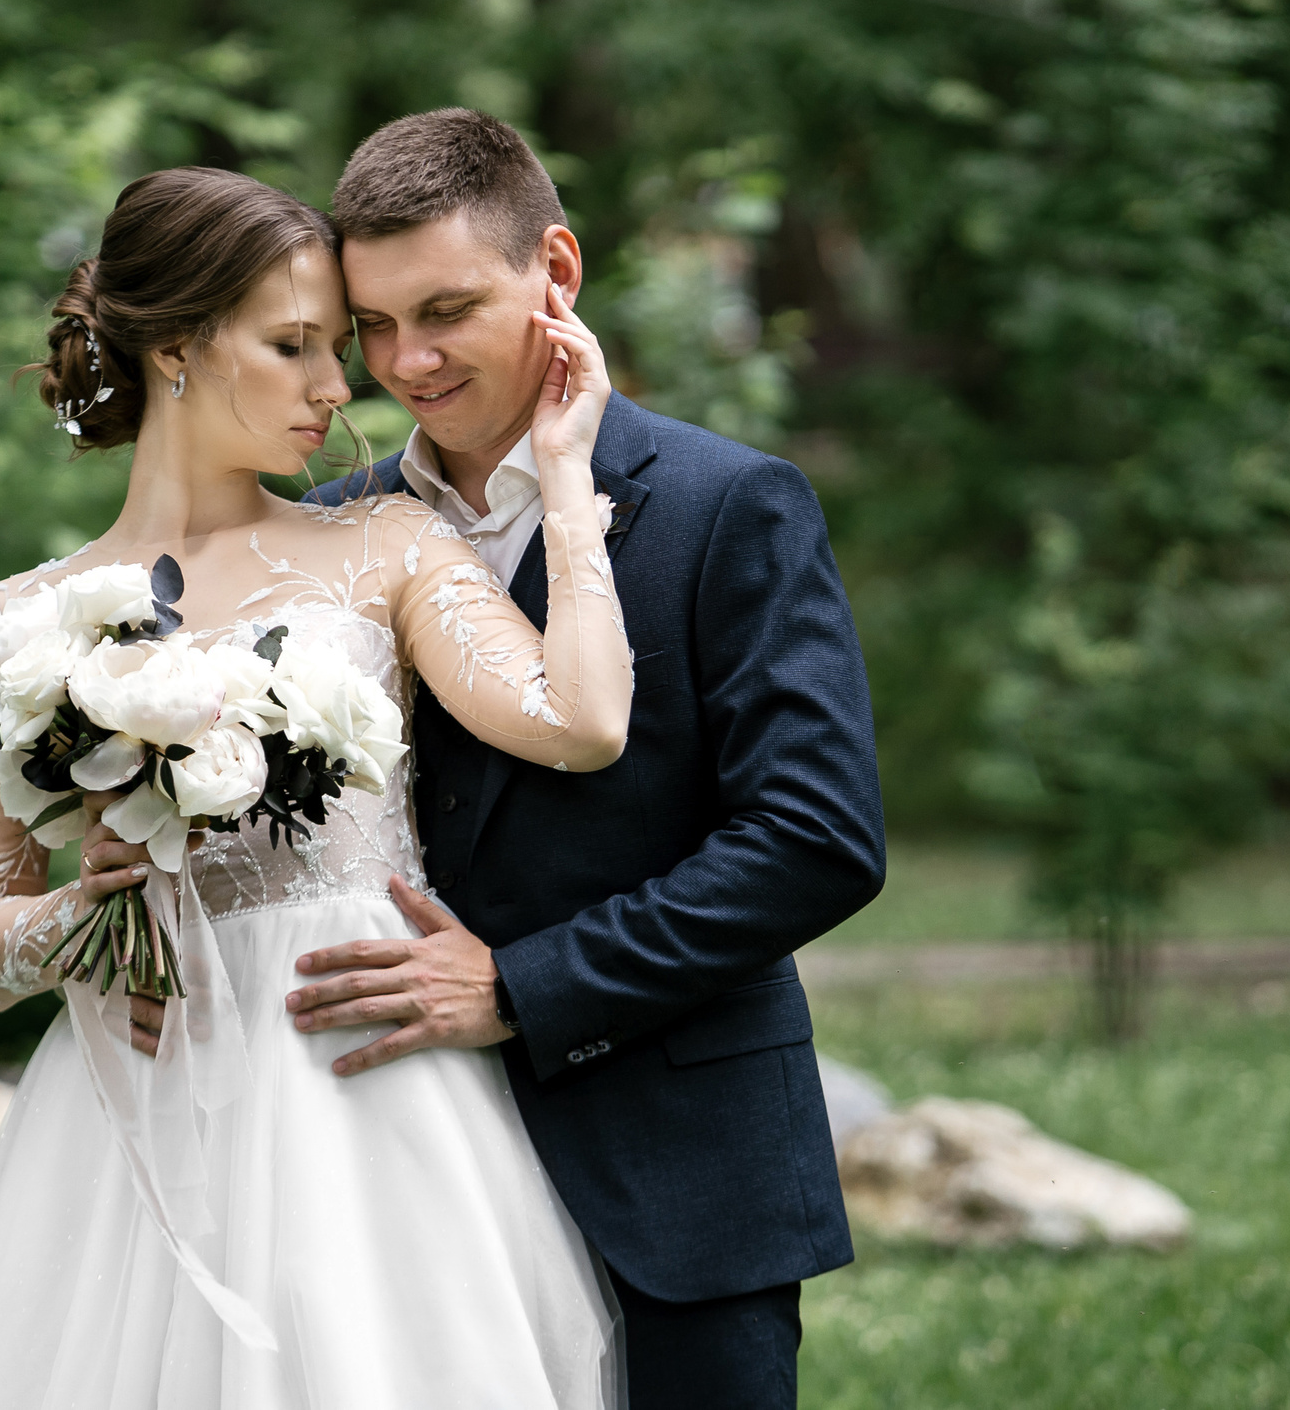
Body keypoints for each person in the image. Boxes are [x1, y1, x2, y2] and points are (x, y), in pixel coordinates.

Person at [0, 166, 636, 1408]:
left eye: (334, 348)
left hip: (364, 1093)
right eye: (294, 347)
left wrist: (566, 479)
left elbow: (584, 722)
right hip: (137, 1109)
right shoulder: (13, 620)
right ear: (179, 348)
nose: (338, 387)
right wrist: (79, 932)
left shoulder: (387, 548)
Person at [287, 108, 889, 1408]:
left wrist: (524, 981)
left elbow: (816, 838)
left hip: (677, 1167)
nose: (408, 359)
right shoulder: (323, 534)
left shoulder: (732, 505)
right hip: (389, 1152)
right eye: (372, 325)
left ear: (556, 270)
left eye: (446, 309)